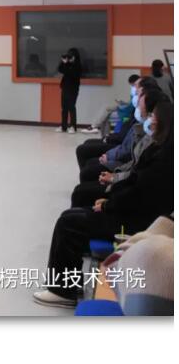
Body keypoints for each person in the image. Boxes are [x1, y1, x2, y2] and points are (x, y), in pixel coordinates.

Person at [33, 100, 173, 308]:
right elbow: (134, 183)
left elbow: (138, 194)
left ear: (163, 123)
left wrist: (108, 205)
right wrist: (110, 198)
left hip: (134, 222)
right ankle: (70, 282)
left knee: (68, 224)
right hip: (132, 212)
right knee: (70, 215)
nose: (150, 119)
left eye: (154, 116)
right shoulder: (160, 151)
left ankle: (63, 291)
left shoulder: (163, 160)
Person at [56, 47, 82, 133]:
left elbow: (71, 74)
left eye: (71, 56)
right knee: (64, 108)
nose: (69, 57)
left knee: (71, 107)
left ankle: (73, 126)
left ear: (75, 56)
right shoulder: (67, 64)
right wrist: (63, 62)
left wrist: (67, 63)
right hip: (65, 88)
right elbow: (60, 70)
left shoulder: (78, 65)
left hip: (73, 89)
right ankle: (64, 126)